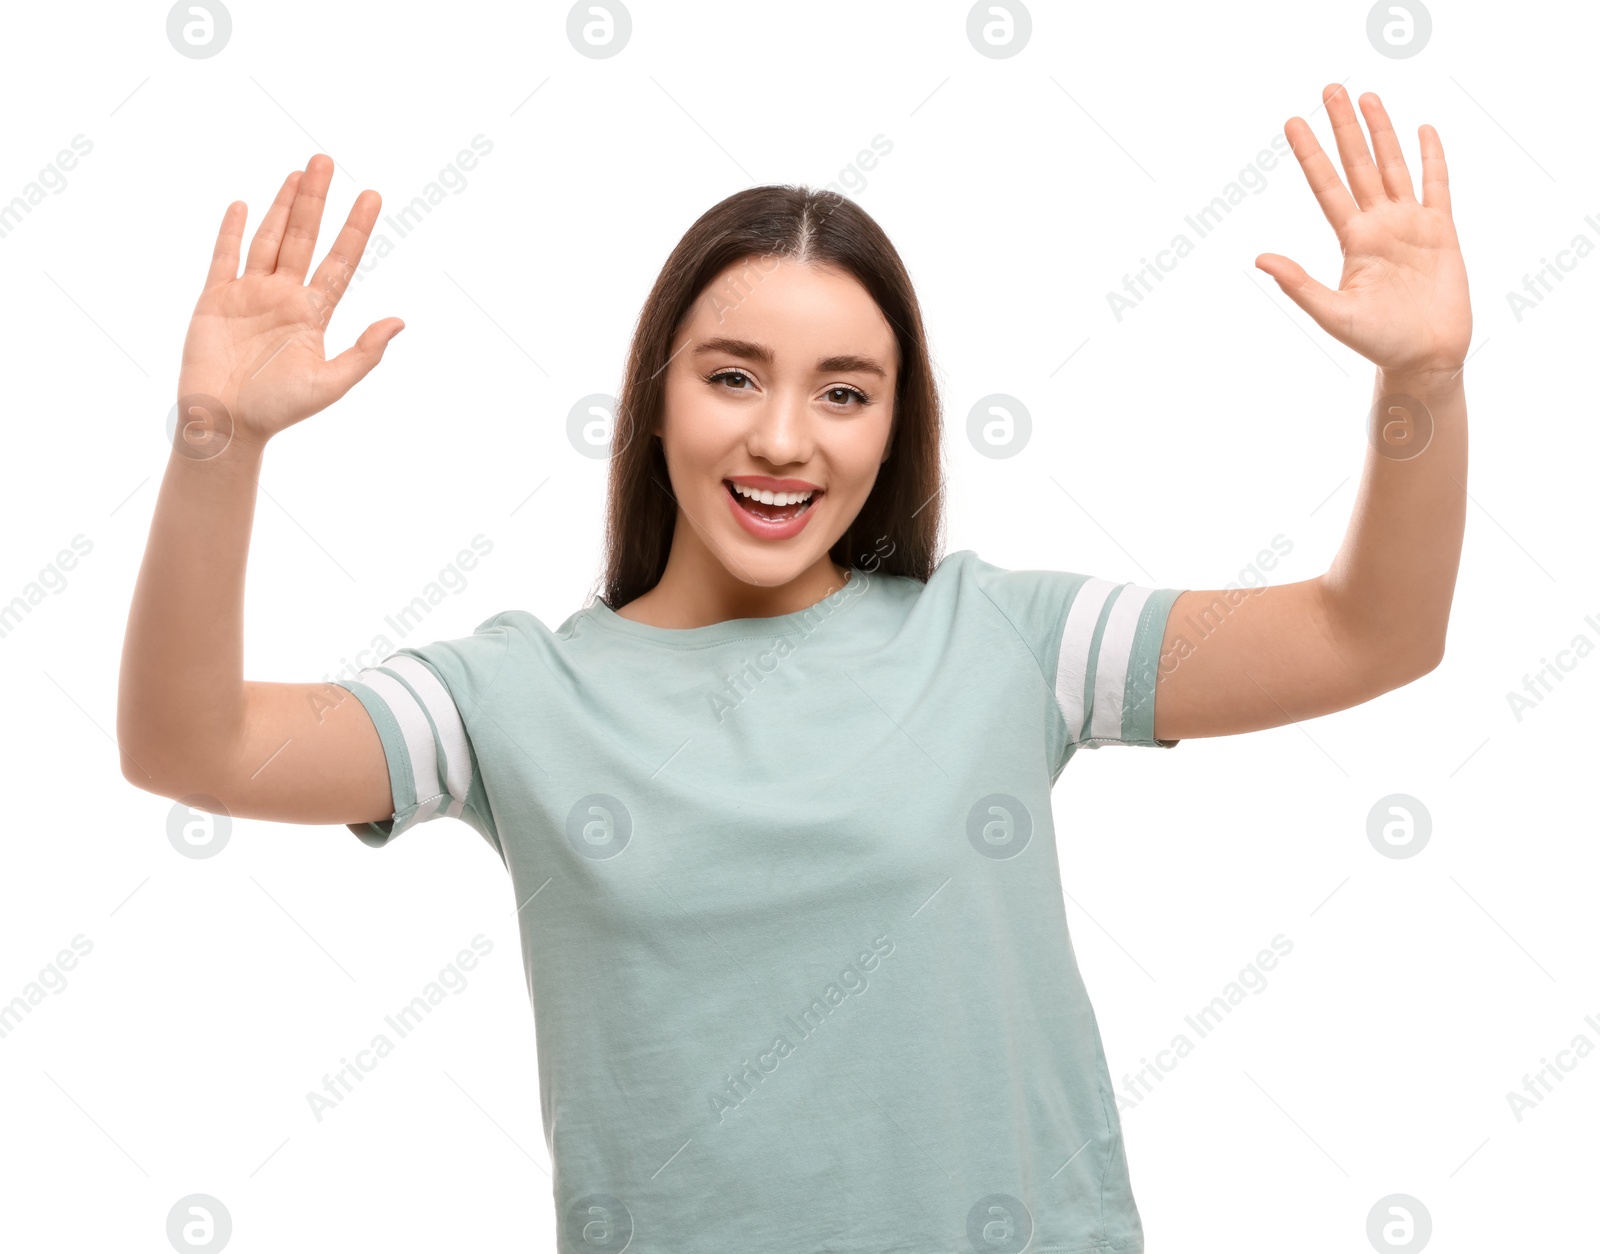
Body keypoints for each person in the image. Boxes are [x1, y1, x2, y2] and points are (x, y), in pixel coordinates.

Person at [118, 82, 1468, 1253]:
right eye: (732, 376)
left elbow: (1374, 634)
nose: (783, 439)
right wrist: (216, 444)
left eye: (843, 391)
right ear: (657, 393)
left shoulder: (1005, 639)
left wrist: (1424, 381)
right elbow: (193, 747)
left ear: (896, 424)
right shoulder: (510, 698)